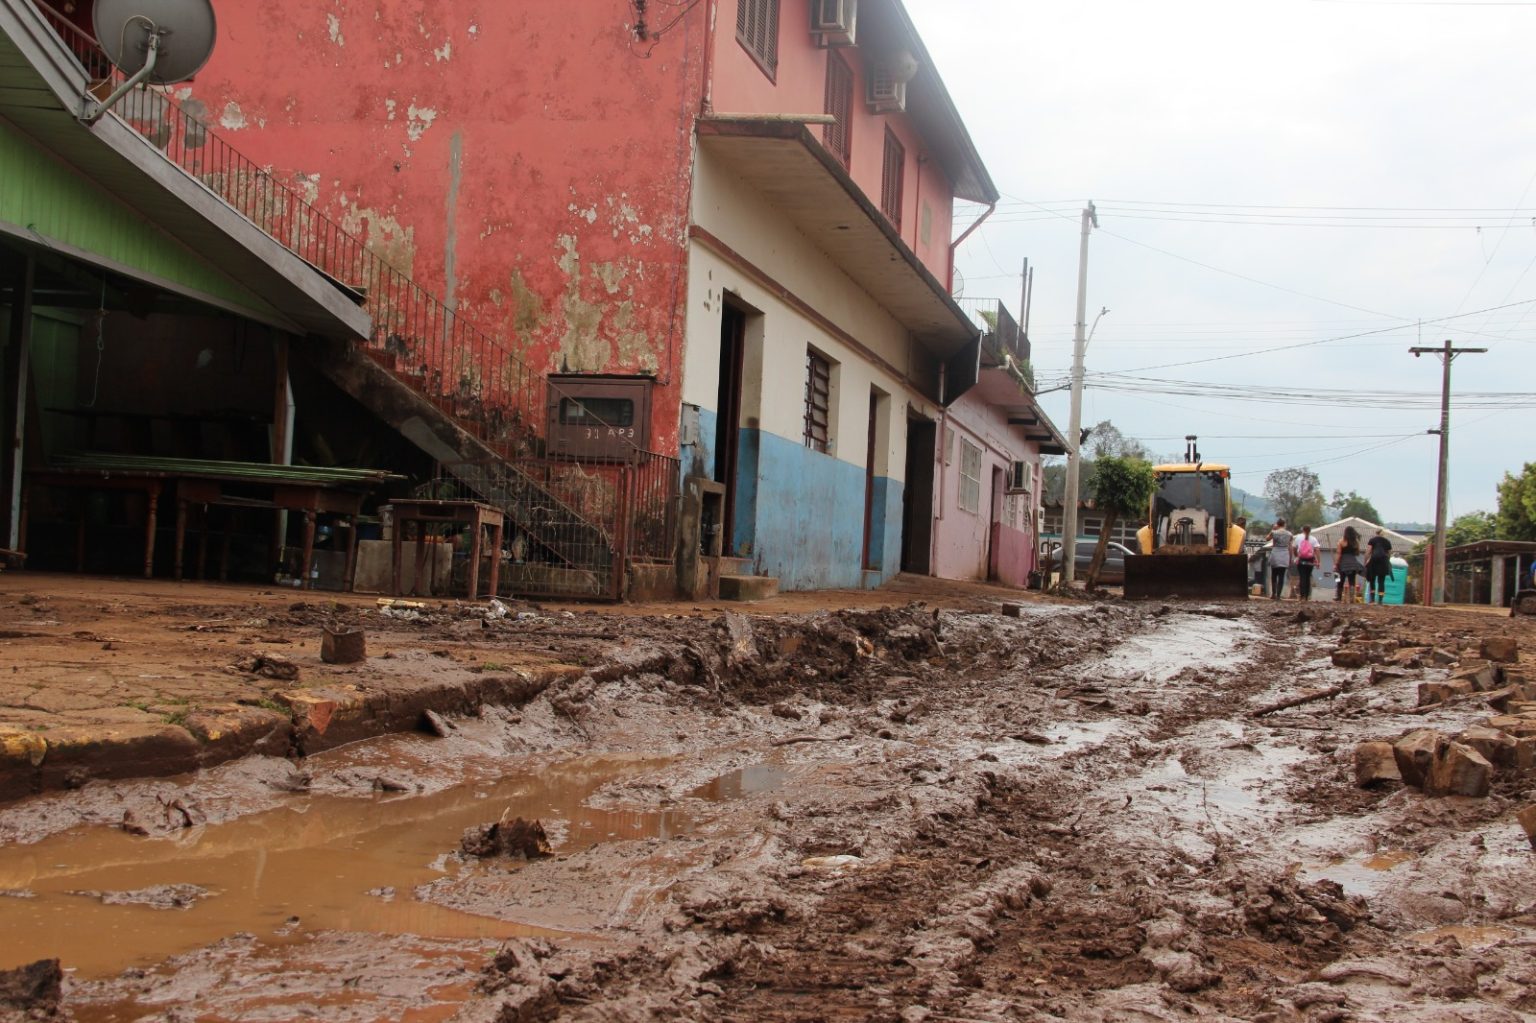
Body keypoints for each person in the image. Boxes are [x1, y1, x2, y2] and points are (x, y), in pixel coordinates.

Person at [1335, 525, 1364, 604]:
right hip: (1353, 563)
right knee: (1352, 581)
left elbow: (1338, 553)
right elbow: (1357, 553)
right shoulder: (1356, 542)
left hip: (1343, 563)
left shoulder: (1341, 541)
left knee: (1339, 580)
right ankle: (1351, 598)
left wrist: (1336, 564)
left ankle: (1338, 597)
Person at [1364, 528, 1393, 604]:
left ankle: (1372, 599)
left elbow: (1368, 551)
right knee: (1381, 581)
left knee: (1372, 580)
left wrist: (1366, 561)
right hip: (1383, 561)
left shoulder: (1372, 540)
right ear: (1383, 534)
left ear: (1376, 533)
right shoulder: (1387, 541)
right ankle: (1380, 600)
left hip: (1373, 560)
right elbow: (1389, 553)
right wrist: (1387, 561)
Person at [1267, 518, 1294, 599]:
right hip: (1284, 554)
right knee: (1281, 576)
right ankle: (1279, 595)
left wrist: (1272, 529)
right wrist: (1290, 558)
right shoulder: (1289, 534)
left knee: (1274, 575)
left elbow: (1267, 538)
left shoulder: (1274, 532)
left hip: (1275, 553)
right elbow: (1290, 546)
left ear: (1277, 524)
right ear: (1284, 524)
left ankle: (1273, 594)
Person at [1294, 525, 1320, 600]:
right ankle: (1306, 596)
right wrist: (1318, 561)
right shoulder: (1313, 539)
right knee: (1308, 577)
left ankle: (1301, 596)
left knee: (1302, 577)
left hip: (1301, 559)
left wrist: (1296, 556)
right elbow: (1317, 550)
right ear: (1310, 530)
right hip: (1310, 560)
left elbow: (1294, 548)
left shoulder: (1298, 537)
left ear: (1303, 530)